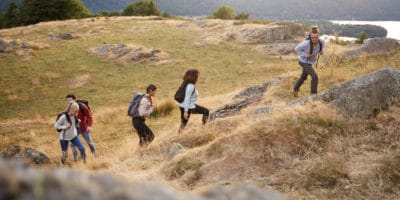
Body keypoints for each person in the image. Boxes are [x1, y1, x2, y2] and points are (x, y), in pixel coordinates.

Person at [293, 26, 325, 97]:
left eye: (315, 37)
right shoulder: (306, 43)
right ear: (310, 36)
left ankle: (295, 89)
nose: (314, 39)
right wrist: (305, 55)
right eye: (312, 37)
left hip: (310, 63)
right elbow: (296, 49)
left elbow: (321, 49)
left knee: (303, 77)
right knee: (314, 76)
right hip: (303, 61)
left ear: (318, 36)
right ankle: (313, 96)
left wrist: (321, 51)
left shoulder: (322, 42)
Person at [66, 94, 96, 160]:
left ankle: (94, 154)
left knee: (89, 142)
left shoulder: (82, 106)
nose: (69, 101)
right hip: (74, 129)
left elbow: (89, 116)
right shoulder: (68, 108)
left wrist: (89, 126)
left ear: (74, 100)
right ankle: (75, 158)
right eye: (67, 100)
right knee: (72, 144)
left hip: (84, 128)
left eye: (70, 100)